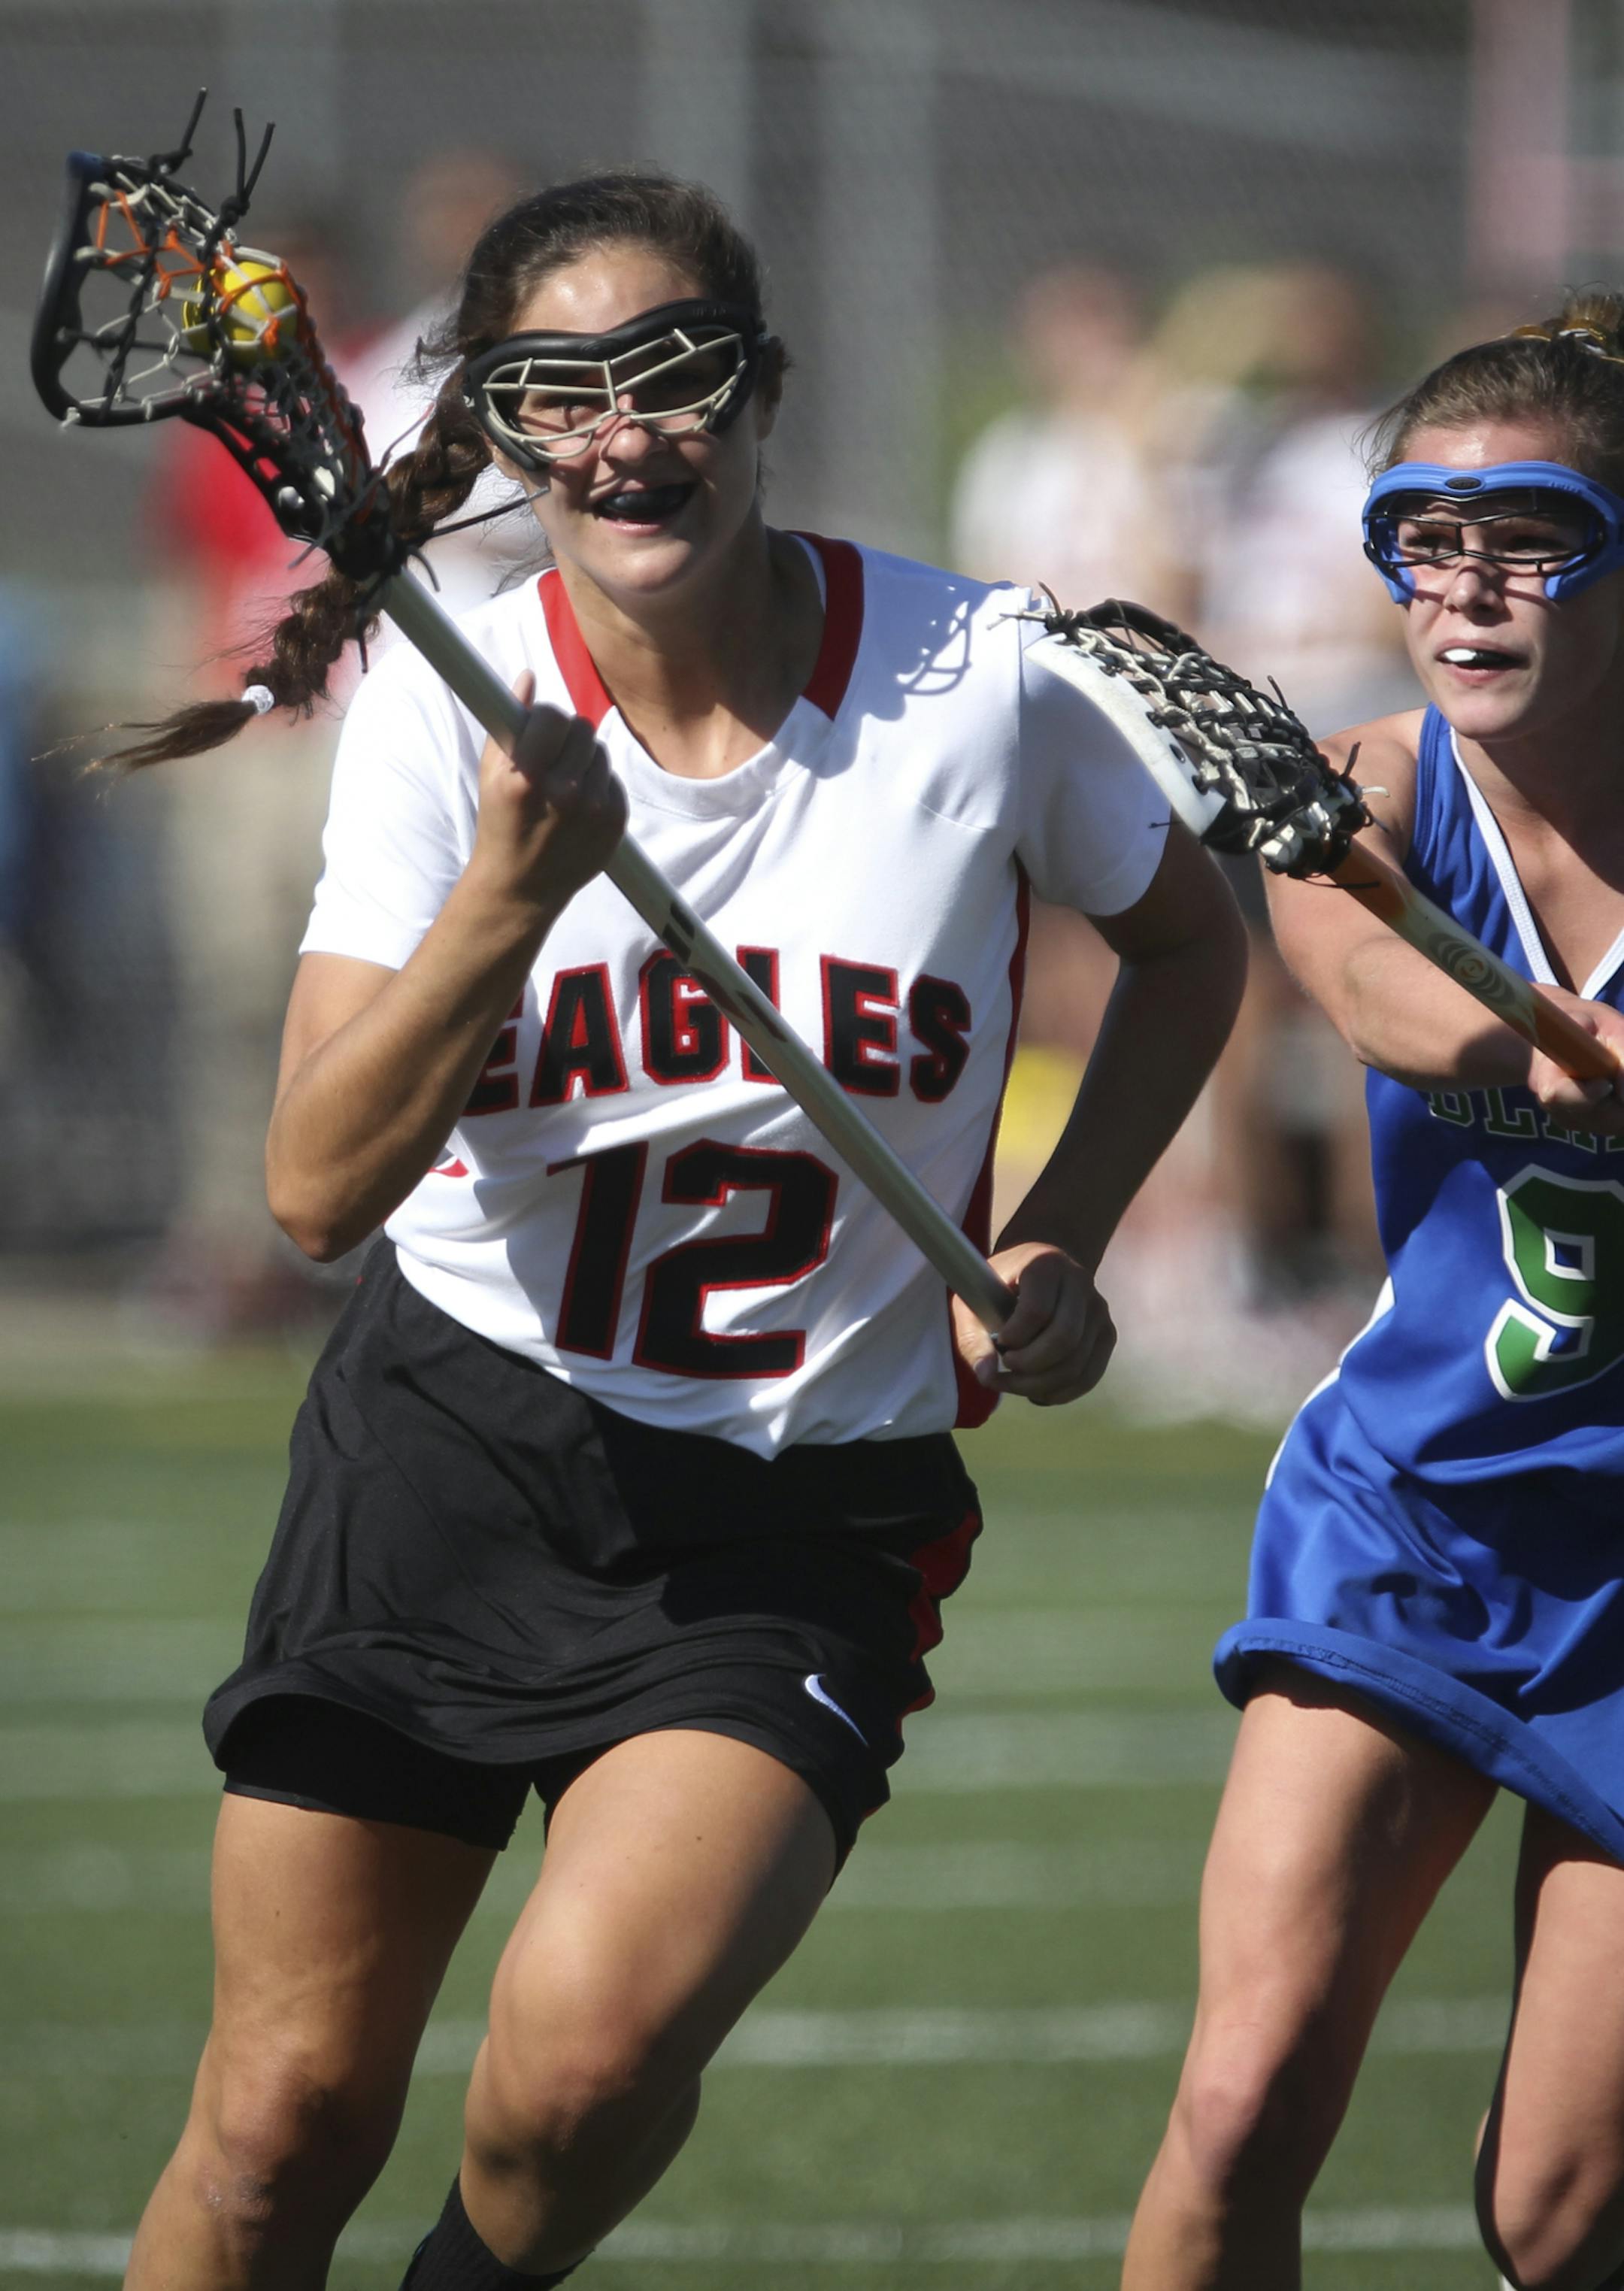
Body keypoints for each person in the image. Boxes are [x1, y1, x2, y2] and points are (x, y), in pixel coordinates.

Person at [111, 171, 1246, 2287]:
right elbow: (314, 1187)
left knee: (574, 2078)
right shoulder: (453, 703)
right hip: (453, 1448)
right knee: (275, 2135)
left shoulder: (978, 674)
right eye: (565, 389)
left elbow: (1191, 939)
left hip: (793, 1508)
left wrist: (1069, 1239)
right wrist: (513, 895)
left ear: (763, 387)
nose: (630, 432)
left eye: (677, 371)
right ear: (507, 430)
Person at [1122, 297, 1624, 2291]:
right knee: (1242, 2099)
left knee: (1558, 2210)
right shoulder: (1368, 793)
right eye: (1427, 530)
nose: (1469, 582)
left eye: (1535, 535)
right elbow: (1376, 996)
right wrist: (1547, 1054)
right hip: (1412, 1508)